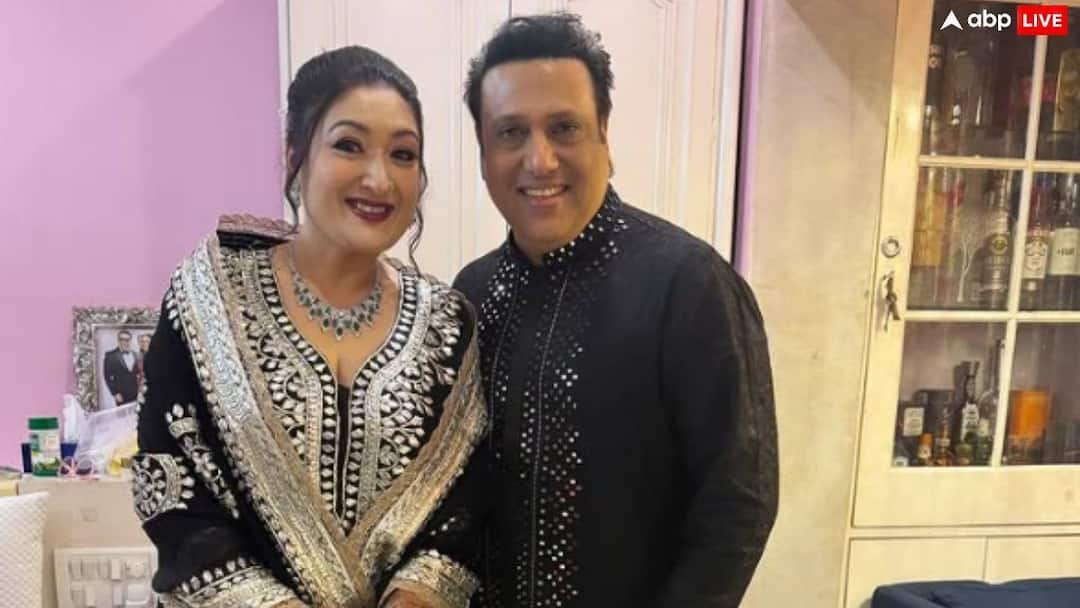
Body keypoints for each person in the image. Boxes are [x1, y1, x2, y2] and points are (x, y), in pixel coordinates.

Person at [132, 46, 489, 608]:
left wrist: (415, 597)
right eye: (349, 145)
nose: (380, 178)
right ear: (295, 154)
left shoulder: (447, 322)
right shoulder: (208, 292)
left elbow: (462, 510)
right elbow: (174, 491)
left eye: (403, 154)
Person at [452, 13, 778, 608]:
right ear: (483, 151)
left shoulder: (689, 285)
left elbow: (739, 504)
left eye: (564, 128)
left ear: (603, 133)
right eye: (511, 132)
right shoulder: (472, 294)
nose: (539, 160)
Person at [103, 330, 139, 406]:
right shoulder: (110, 356)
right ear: (118, 340)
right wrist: (115, 393)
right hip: (121, 395)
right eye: (122, 339)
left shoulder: (135, 354)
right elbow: (107, 377)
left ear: (130, 340)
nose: (124, 342)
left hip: (136, 393)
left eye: (127, 340)